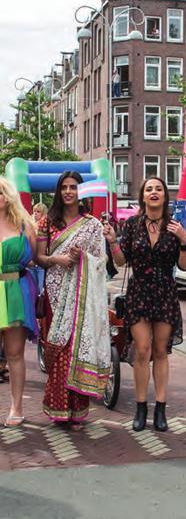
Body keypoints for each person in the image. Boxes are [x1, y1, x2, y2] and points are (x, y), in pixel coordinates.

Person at [104, 177, 186, 432]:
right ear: (143, 196)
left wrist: (185, 240)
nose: (154, 192)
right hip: (139, 291)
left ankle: (160, 408)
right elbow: (121, 263)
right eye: (149, 189)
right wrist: (112, 242)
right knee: (142, 349)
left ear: (165, 196)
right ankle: (141, 407)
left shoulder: (174, 226)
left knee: (161, 351)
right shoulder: (132, 225)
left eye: (159, 189)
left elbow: (184, 265)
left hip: (165, 291)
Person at [35, 171, 110, 430]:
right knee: (59, 349)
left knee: (76, 347)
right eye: (64, 187)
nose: (68, 191)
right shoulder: (48, 221)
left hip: (81, 293)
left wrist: (83, 257)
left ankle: (77, 410)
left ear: (82, 192)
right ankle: (58, 408)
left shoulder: (91, 224)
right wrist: (58, 259)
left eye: (73, 187)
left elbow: (102, 263)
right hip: (56, 290)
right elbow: (39, 258)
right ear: (58, 191)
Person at [0, 179, 39, 427]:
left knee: (15, 354)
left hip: (16, 290)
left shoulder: (24, 225)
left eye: (1, 192)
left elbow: (35, 258)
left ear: (8, 196)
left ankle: (16, 407)